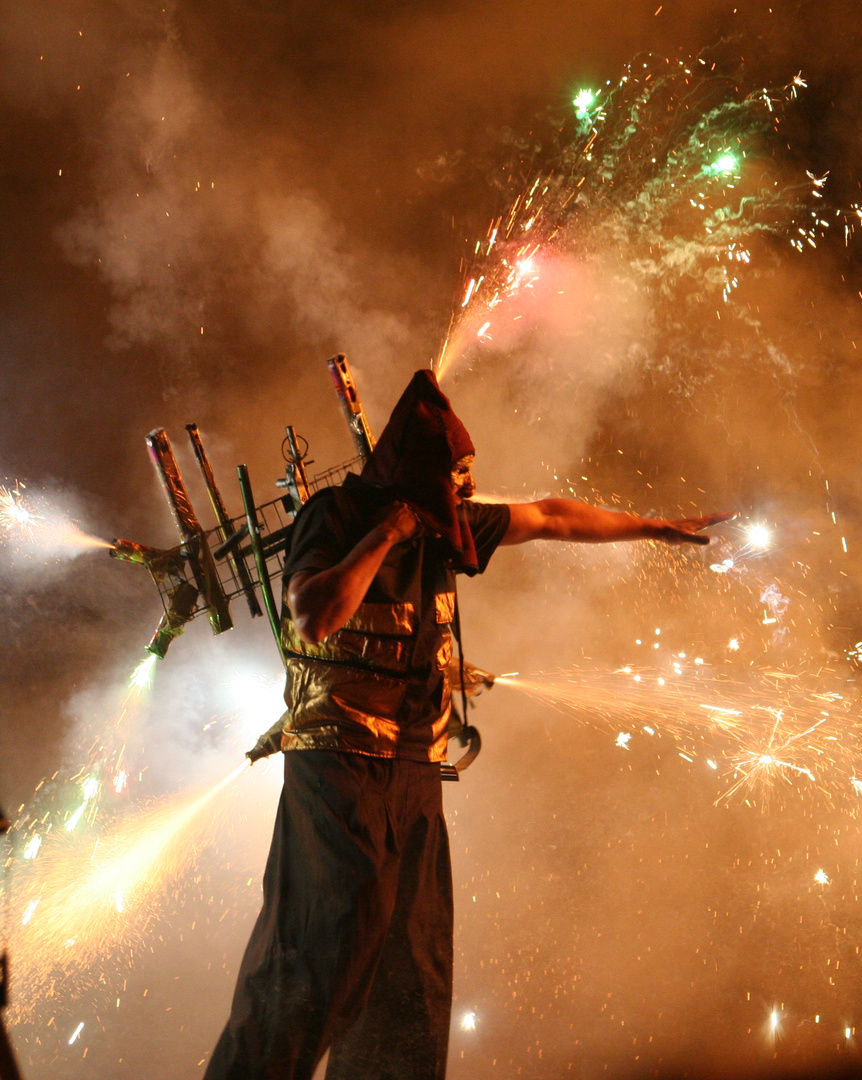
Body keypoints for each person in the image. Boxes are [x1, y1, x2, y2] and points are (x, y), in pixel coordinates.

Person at [205, 369, 727, 1080]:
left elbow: (549, 517)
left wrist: (653, 527)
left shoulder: (447, 527)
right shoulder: (335, 516)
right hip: (340, 771)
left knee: (412, 966)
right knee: (321, 950)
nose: (466, 493)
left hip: (416, 774)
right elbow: (316, 613)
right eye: (454, 476)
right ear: (416, 477)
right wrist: (388, 533)